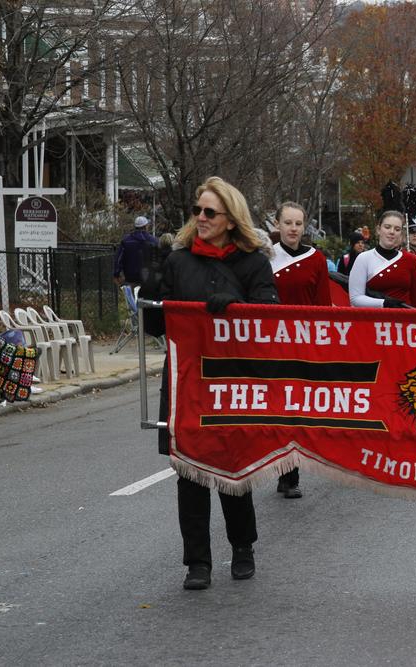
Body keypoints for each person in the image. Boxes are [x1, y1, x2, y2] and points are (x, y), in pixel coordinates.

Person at [140, 176, 279, 590]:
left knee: (231, 465)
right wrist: (150, 281)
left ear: (231, 220)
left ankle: (242, 546)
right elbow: (154, 326)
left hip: (233, 378)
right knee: (189, 470)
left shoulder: (253, 262)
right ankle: (197, 561)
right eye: (197, 210)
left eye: (209, 212)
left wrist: (236, 307)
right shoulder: (179, 261)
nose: (200, 218)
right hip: (187, 380)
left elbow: (270, 315)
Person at [270, 201, 332, 499]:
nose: (293, 229)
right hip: (273, 343)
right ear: (278, 225)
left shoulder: (316, 258)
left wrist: (324, 343)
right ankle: (281, 469)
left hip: (305, 343)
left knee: (298, 410)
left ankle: (291, 470)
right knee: (278, 409)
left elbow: (322, 304)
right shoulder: (266, 256)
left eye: (298, 223)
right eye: (288, 223)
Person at [349, 211, 416, 308]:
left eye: (397, 229)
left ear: (401, 233)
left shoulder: (411, 260)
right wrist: (383, 303)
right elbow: (355, 298)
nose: (392, 232)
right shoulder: (363, 258)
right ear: (378, 229)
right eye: (387, 227)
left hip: (405, 320)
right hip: (374, 320)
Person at [113, 216, 157, 287]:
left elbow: (118, 260)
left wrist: (116, 274)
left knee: (131, 297)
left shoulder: (126, 241)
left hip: (130, 279)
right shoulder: (153, 241)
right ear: (146, 226)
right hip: (148, 279)